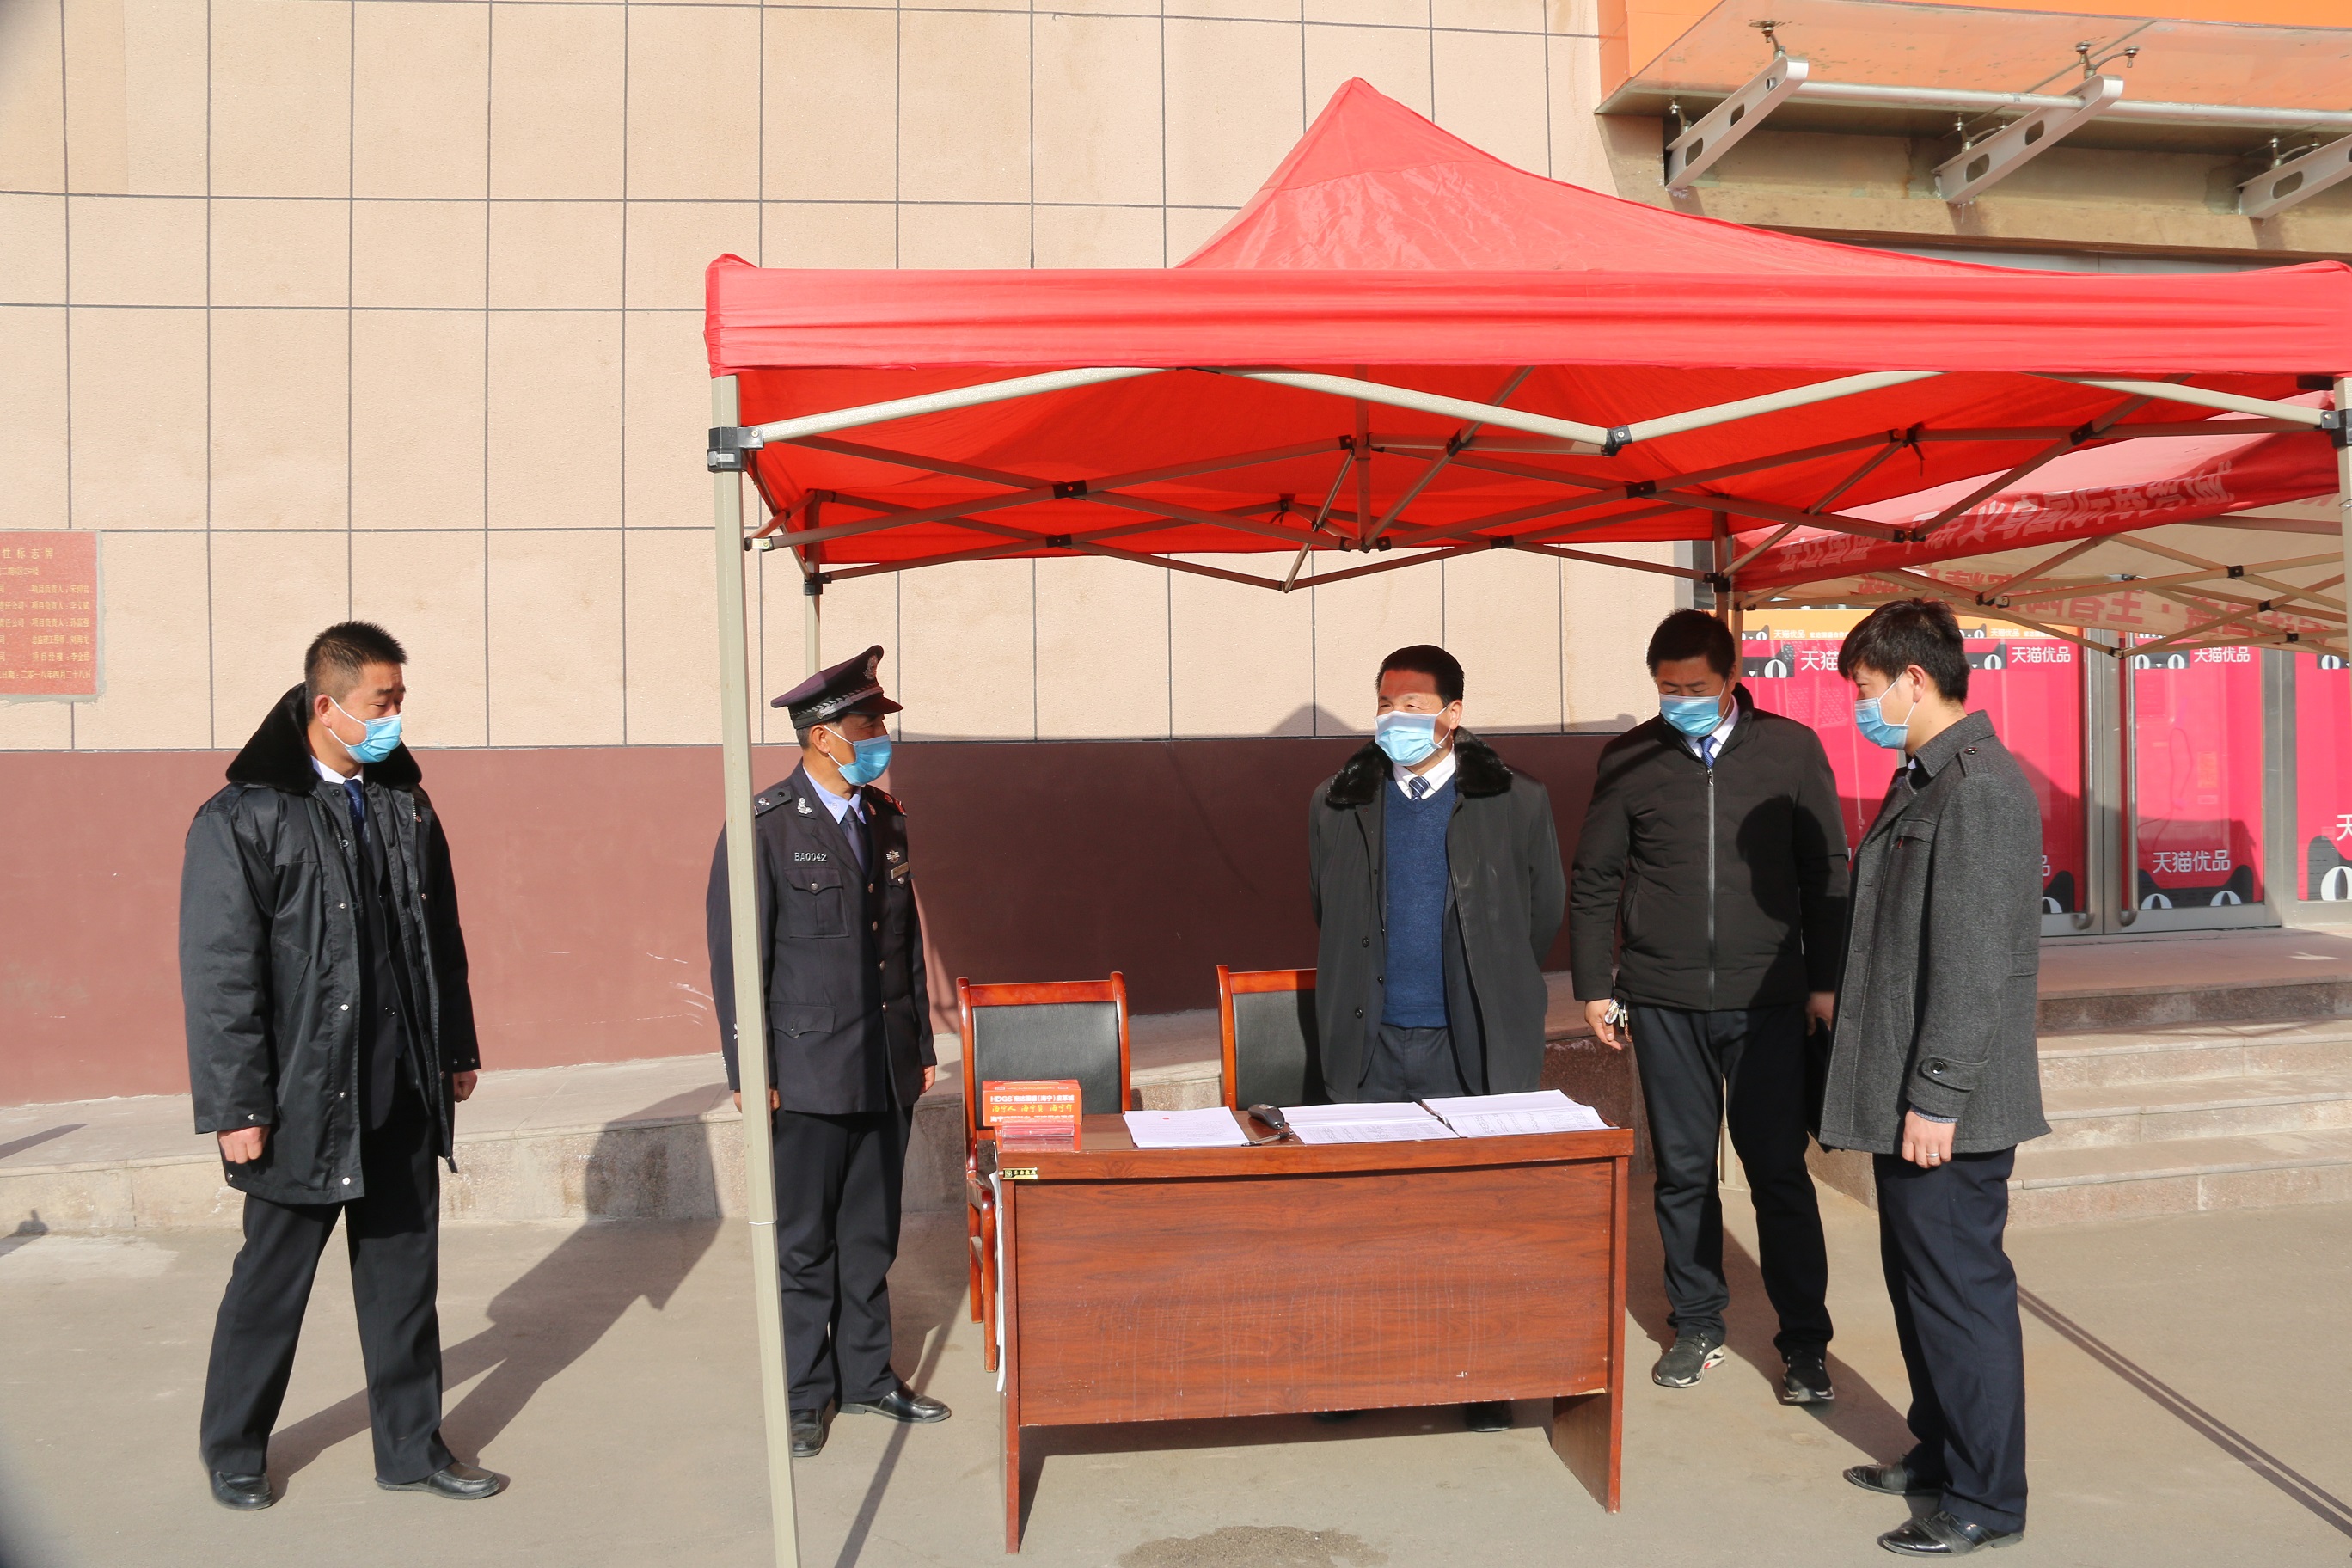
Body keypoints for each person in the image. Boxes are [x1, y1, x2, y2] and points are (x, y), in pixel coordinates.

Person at [182, 622, 502, 1510]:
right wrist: (237, 1106)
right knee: (271, 1284)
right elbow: (220, 974)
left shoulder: (405, 804)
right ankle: (234, 1448)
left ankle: (413, 1448)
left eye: (400, 700)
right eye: (381, 702)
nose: (395, 717)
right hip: (300, 1099)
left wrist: (455, 1048)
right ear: (327, 706)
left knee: (403, 1283)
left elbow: (440, 937)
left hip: (402, 1086)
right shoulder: (244, 817)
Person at [1569, 609, 1848, 1401]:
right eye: (1668, 688)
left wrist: (1824, 980)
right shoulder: (1629, 758)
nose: (1681, 700)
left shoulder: (1791, 750)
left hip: (1769, 1000)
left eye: (1696, 687)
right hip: (1664, 999)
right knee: (1683, 1173)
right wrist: (1594, 986)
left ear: (1732, 679)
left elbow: (1826, 871)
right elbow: (1596, 876)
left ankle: (1805, 1343)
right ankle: (1696, 1324)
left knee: (1778, 1173)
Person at [1822, 599, 2047, 1558]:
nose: (1862, 707)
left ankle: (1986, 1499)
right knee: (1921, 1290)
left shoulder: (1979, 788)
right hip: (1908, 1093)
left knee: (1960, 1296)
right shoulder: (1929, 777)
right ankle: (1942, 1452)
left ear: (1915, 680)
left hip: (1947, 1107)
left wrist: (1938, 1094)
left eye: (1868, 689)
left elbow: (1975, 964)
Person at [1307, 643, 1566, 1435]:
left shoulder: (1515, 800)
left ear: (1453, 714)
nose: (1395, 719)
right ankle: (1359, 1366)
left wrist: (1486, 983)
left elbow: (1540, 914)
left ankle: (1478, 1374)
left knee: (1469, 1217)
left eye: (1413, 707)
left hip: (1469, 1043)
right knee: (1364, 1218)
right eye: (1385, 705)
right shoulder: (1339, 802)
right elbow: (1328, 909)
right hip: (1373, 1041)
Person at [707, 645, 948, 1460]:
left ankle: (868, 1374)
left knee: (871, 1233)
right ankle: (806, 1394)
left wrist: (918, 1043)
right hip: (806, 1071)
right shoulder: (765, 828)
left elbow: (903, 942)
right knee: (805, 1243)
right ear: (820, 735)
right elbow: (739, 960)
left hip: (883, 1062)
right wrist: (751, 1070)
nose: (879, 737)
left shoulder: (885, 819)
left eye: (878, 723)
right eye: (867, 724)